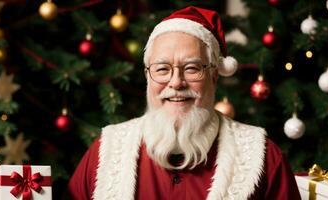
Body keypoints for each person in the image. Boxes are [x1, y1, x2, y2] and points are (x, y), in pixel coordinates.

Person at [67, 6, 300, 200]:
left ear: (214, 76)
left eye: (192, 68)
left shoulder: (264, 157)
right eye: (162, 69)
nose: (176, 83)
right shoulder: (105, 152)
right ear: (148, 76)